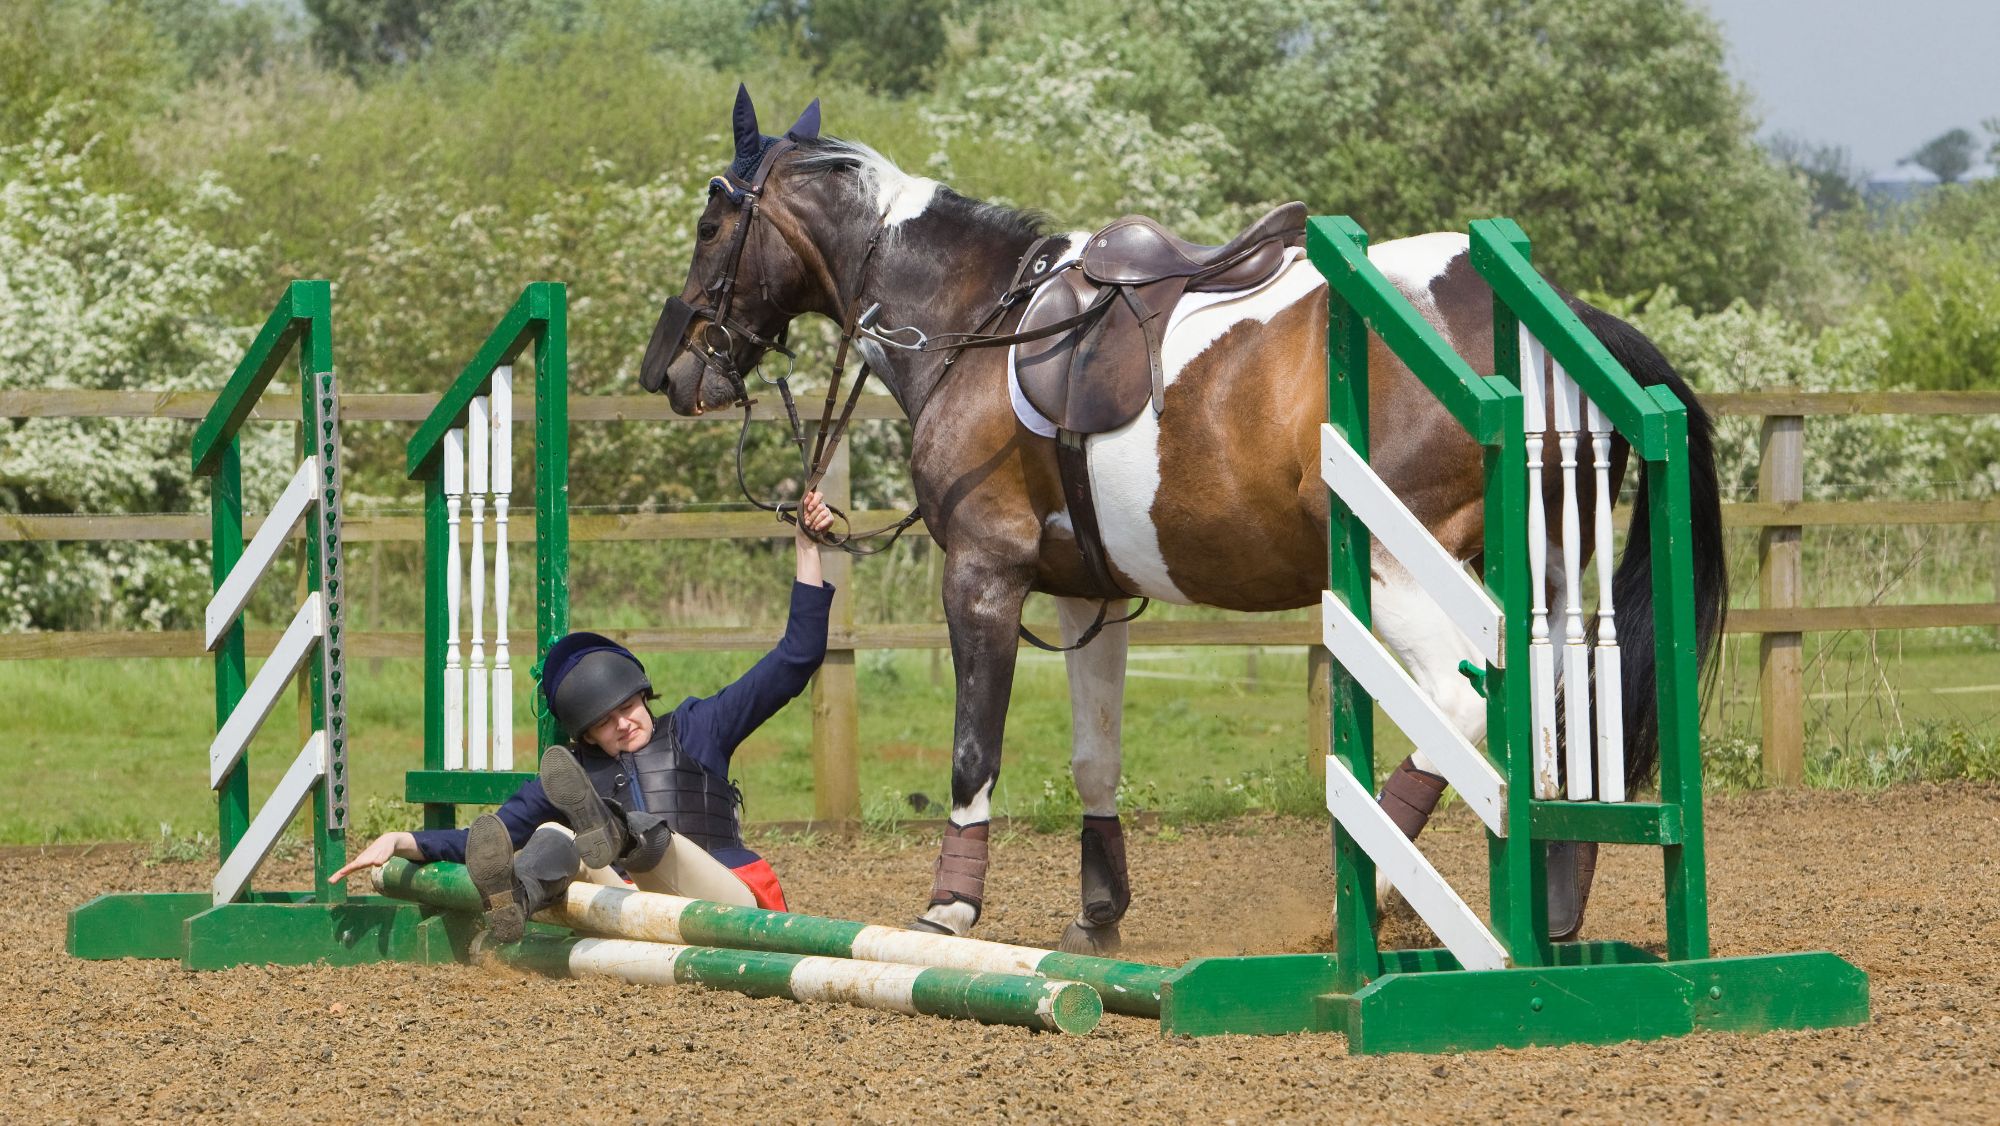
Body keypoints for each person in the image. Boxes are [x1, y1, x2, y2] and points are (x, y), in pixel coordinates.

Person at [332, 492, 837, 940]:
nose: (623, 723)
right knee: (556, 835)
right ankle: (518, 900)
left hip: (727, 908)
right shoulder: (569, 773)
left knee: (630, 832)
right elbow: (486, 840)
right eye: (605, 722)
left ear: (644, 695)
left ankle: (619, 829)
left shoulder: (698, 727)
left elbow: (795, 658)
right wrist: (403, 840)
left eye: (628, 706)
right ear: (587, 735)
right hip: (636, 917)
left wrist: (807, 547)